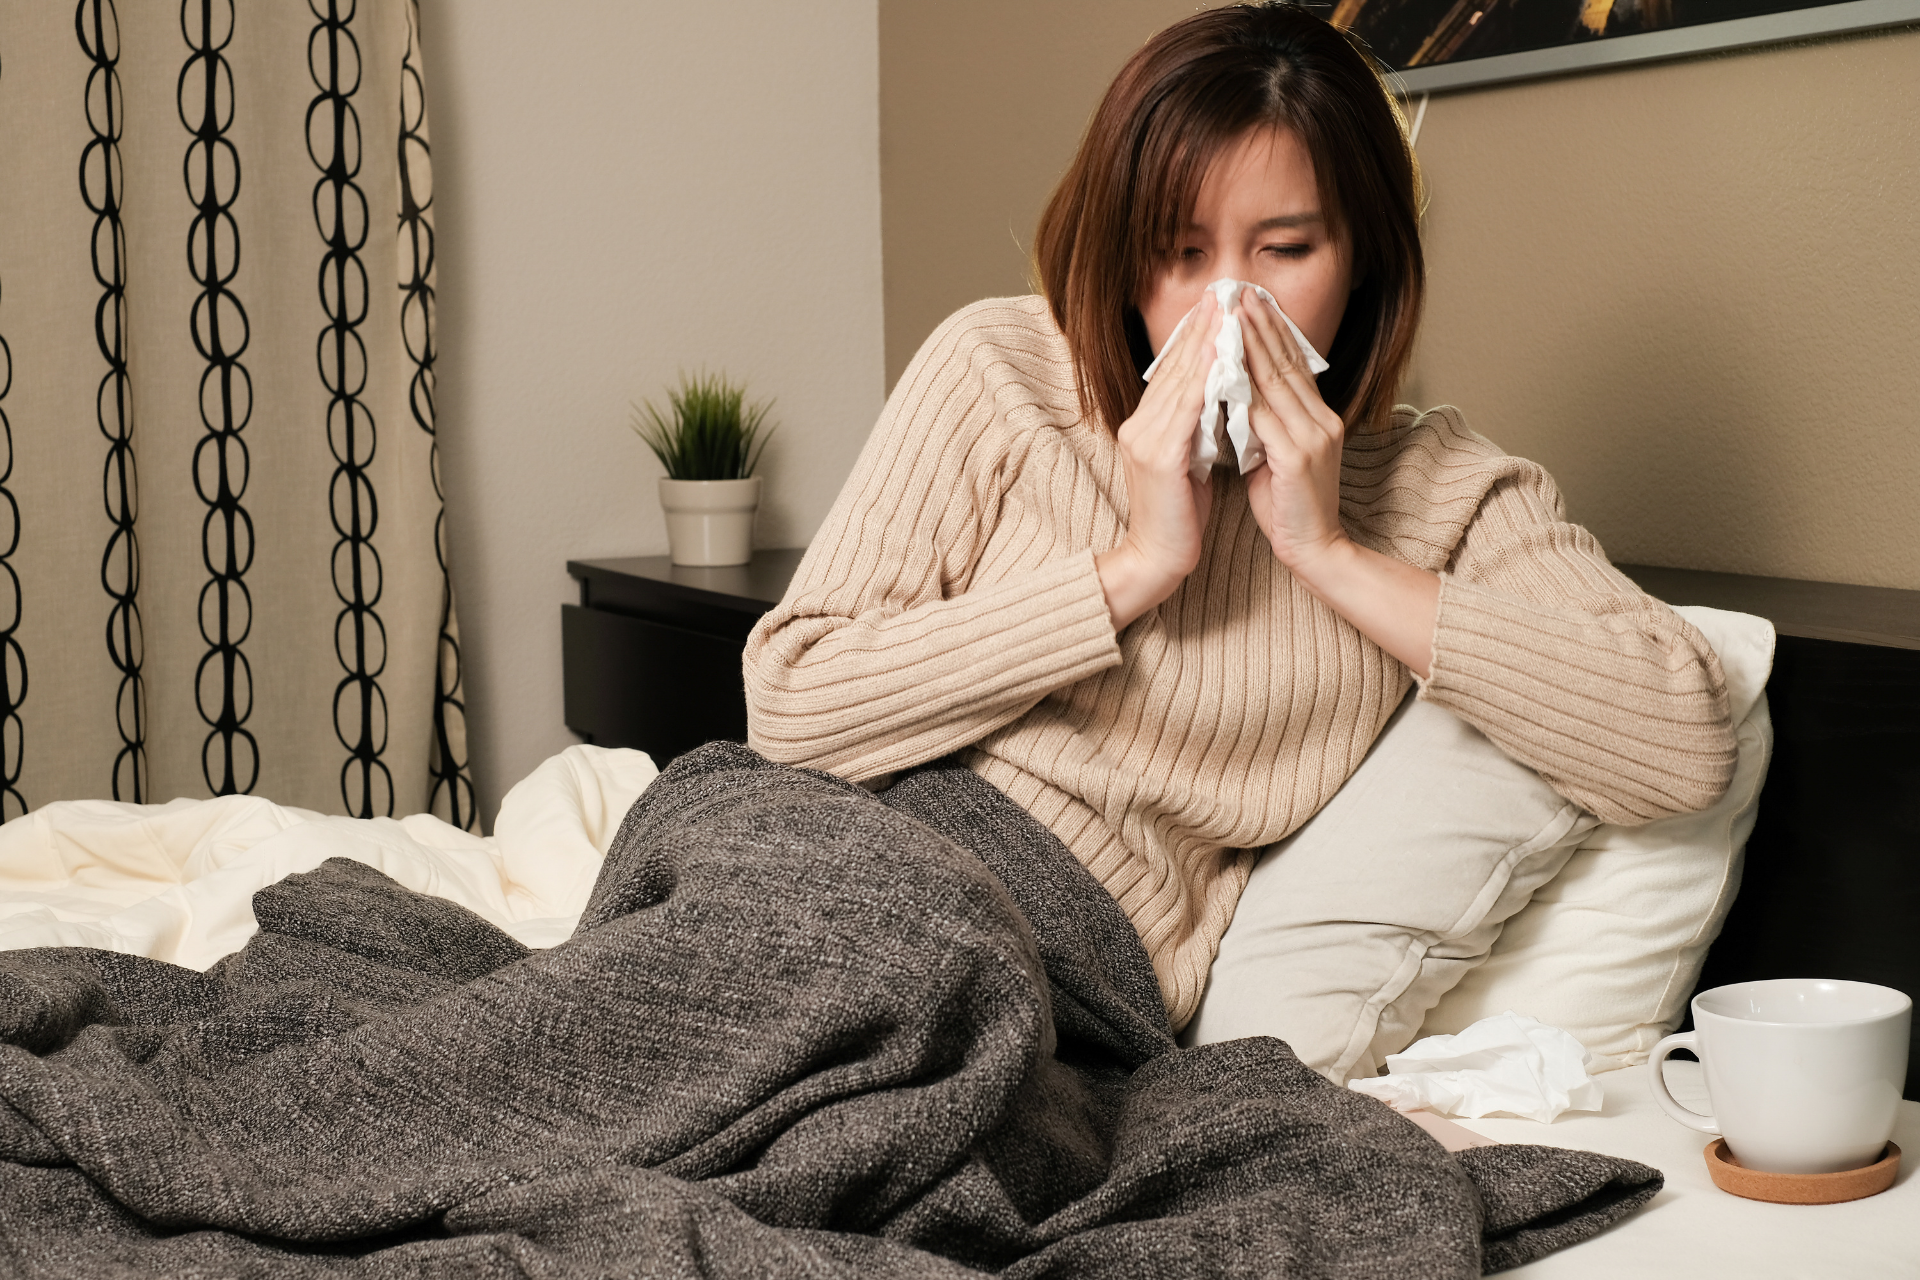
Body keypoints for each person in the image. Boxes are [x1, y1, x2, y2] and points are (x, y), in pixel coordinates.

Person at [744, 2, 1735, 1033]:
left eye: (1285, 249)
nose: (1227, 309)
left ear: (1364, 260)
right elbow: (790, 705)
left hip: (1060, 957)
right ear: (1127, 257)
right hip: (834, 844)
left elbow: (1682, 738)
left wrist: (1330, 551)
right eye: (1180, 251)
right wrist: (1135, 565)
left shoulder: (1444, 490)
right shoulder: (1003, 369)